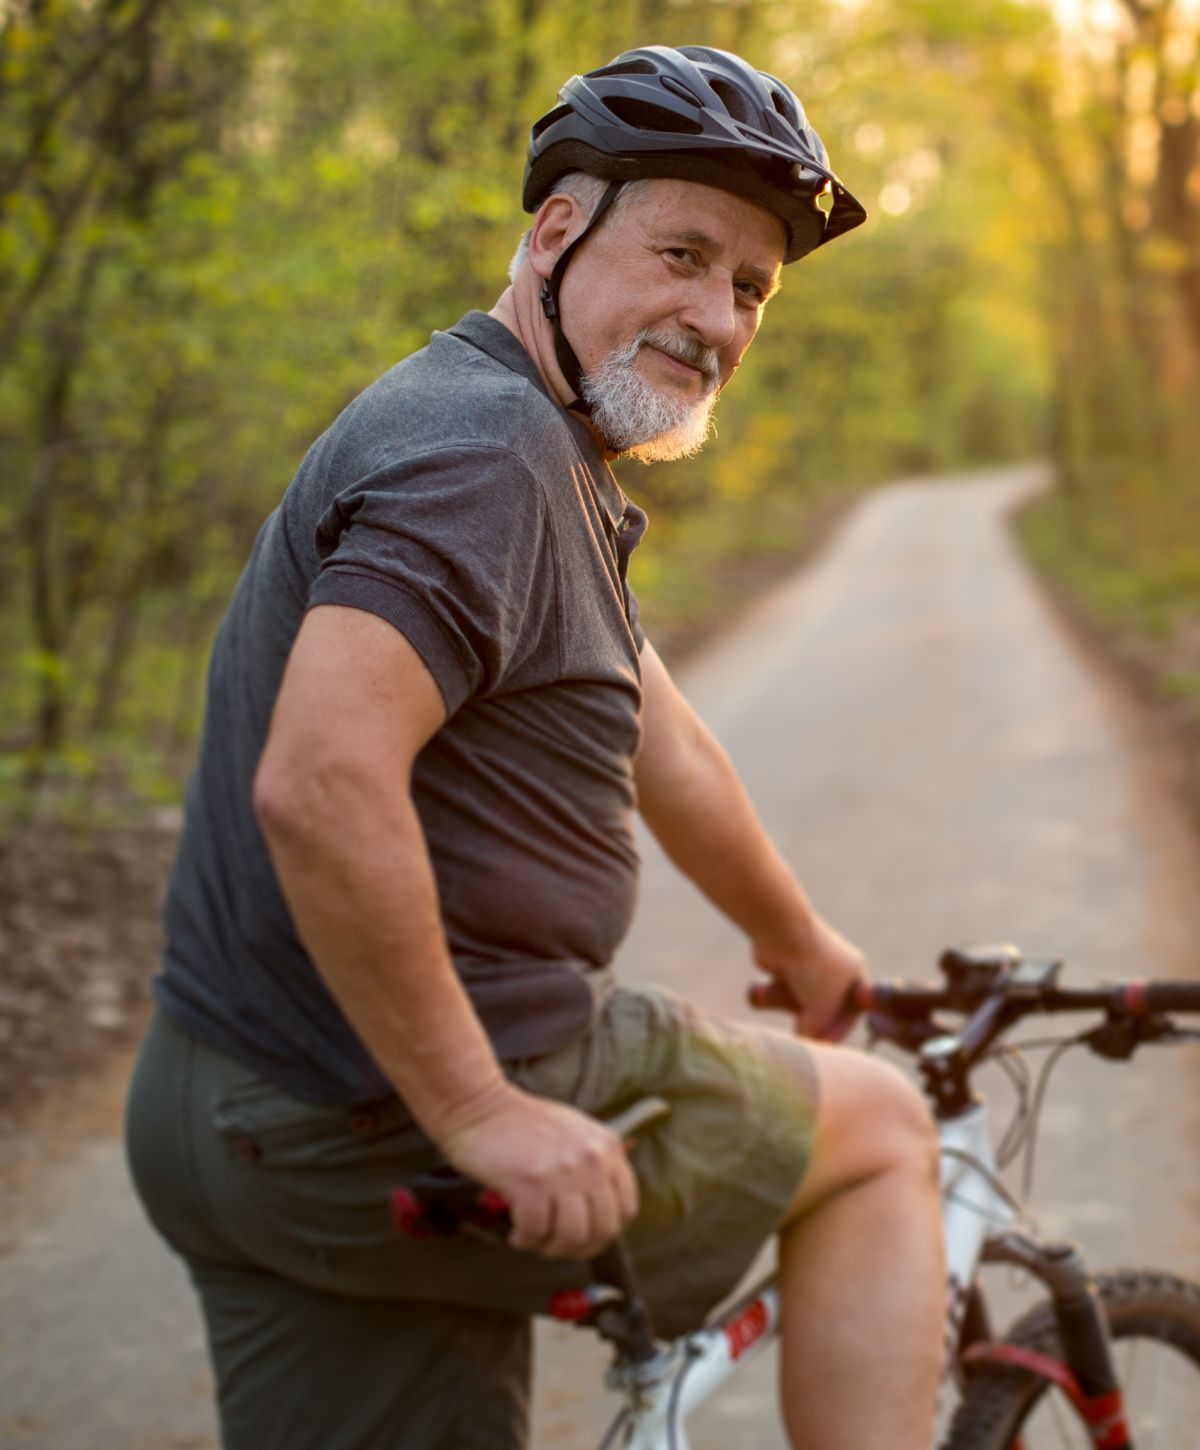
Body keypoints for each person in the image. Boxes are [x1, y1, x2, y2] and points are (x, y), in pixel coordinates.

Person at [125, 44, 945, 1450]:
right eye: (685, 253)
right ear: (557, 229)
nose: (717, 316)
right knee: (880, 1135)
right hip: (374, 1109)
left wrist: (802, 944)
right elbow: (320, 782)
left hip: (228, 1113)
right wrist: (478, 1106)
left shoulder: (516, 438)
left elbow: (662, 742)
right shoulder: (487, 457)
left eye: (751, 287)